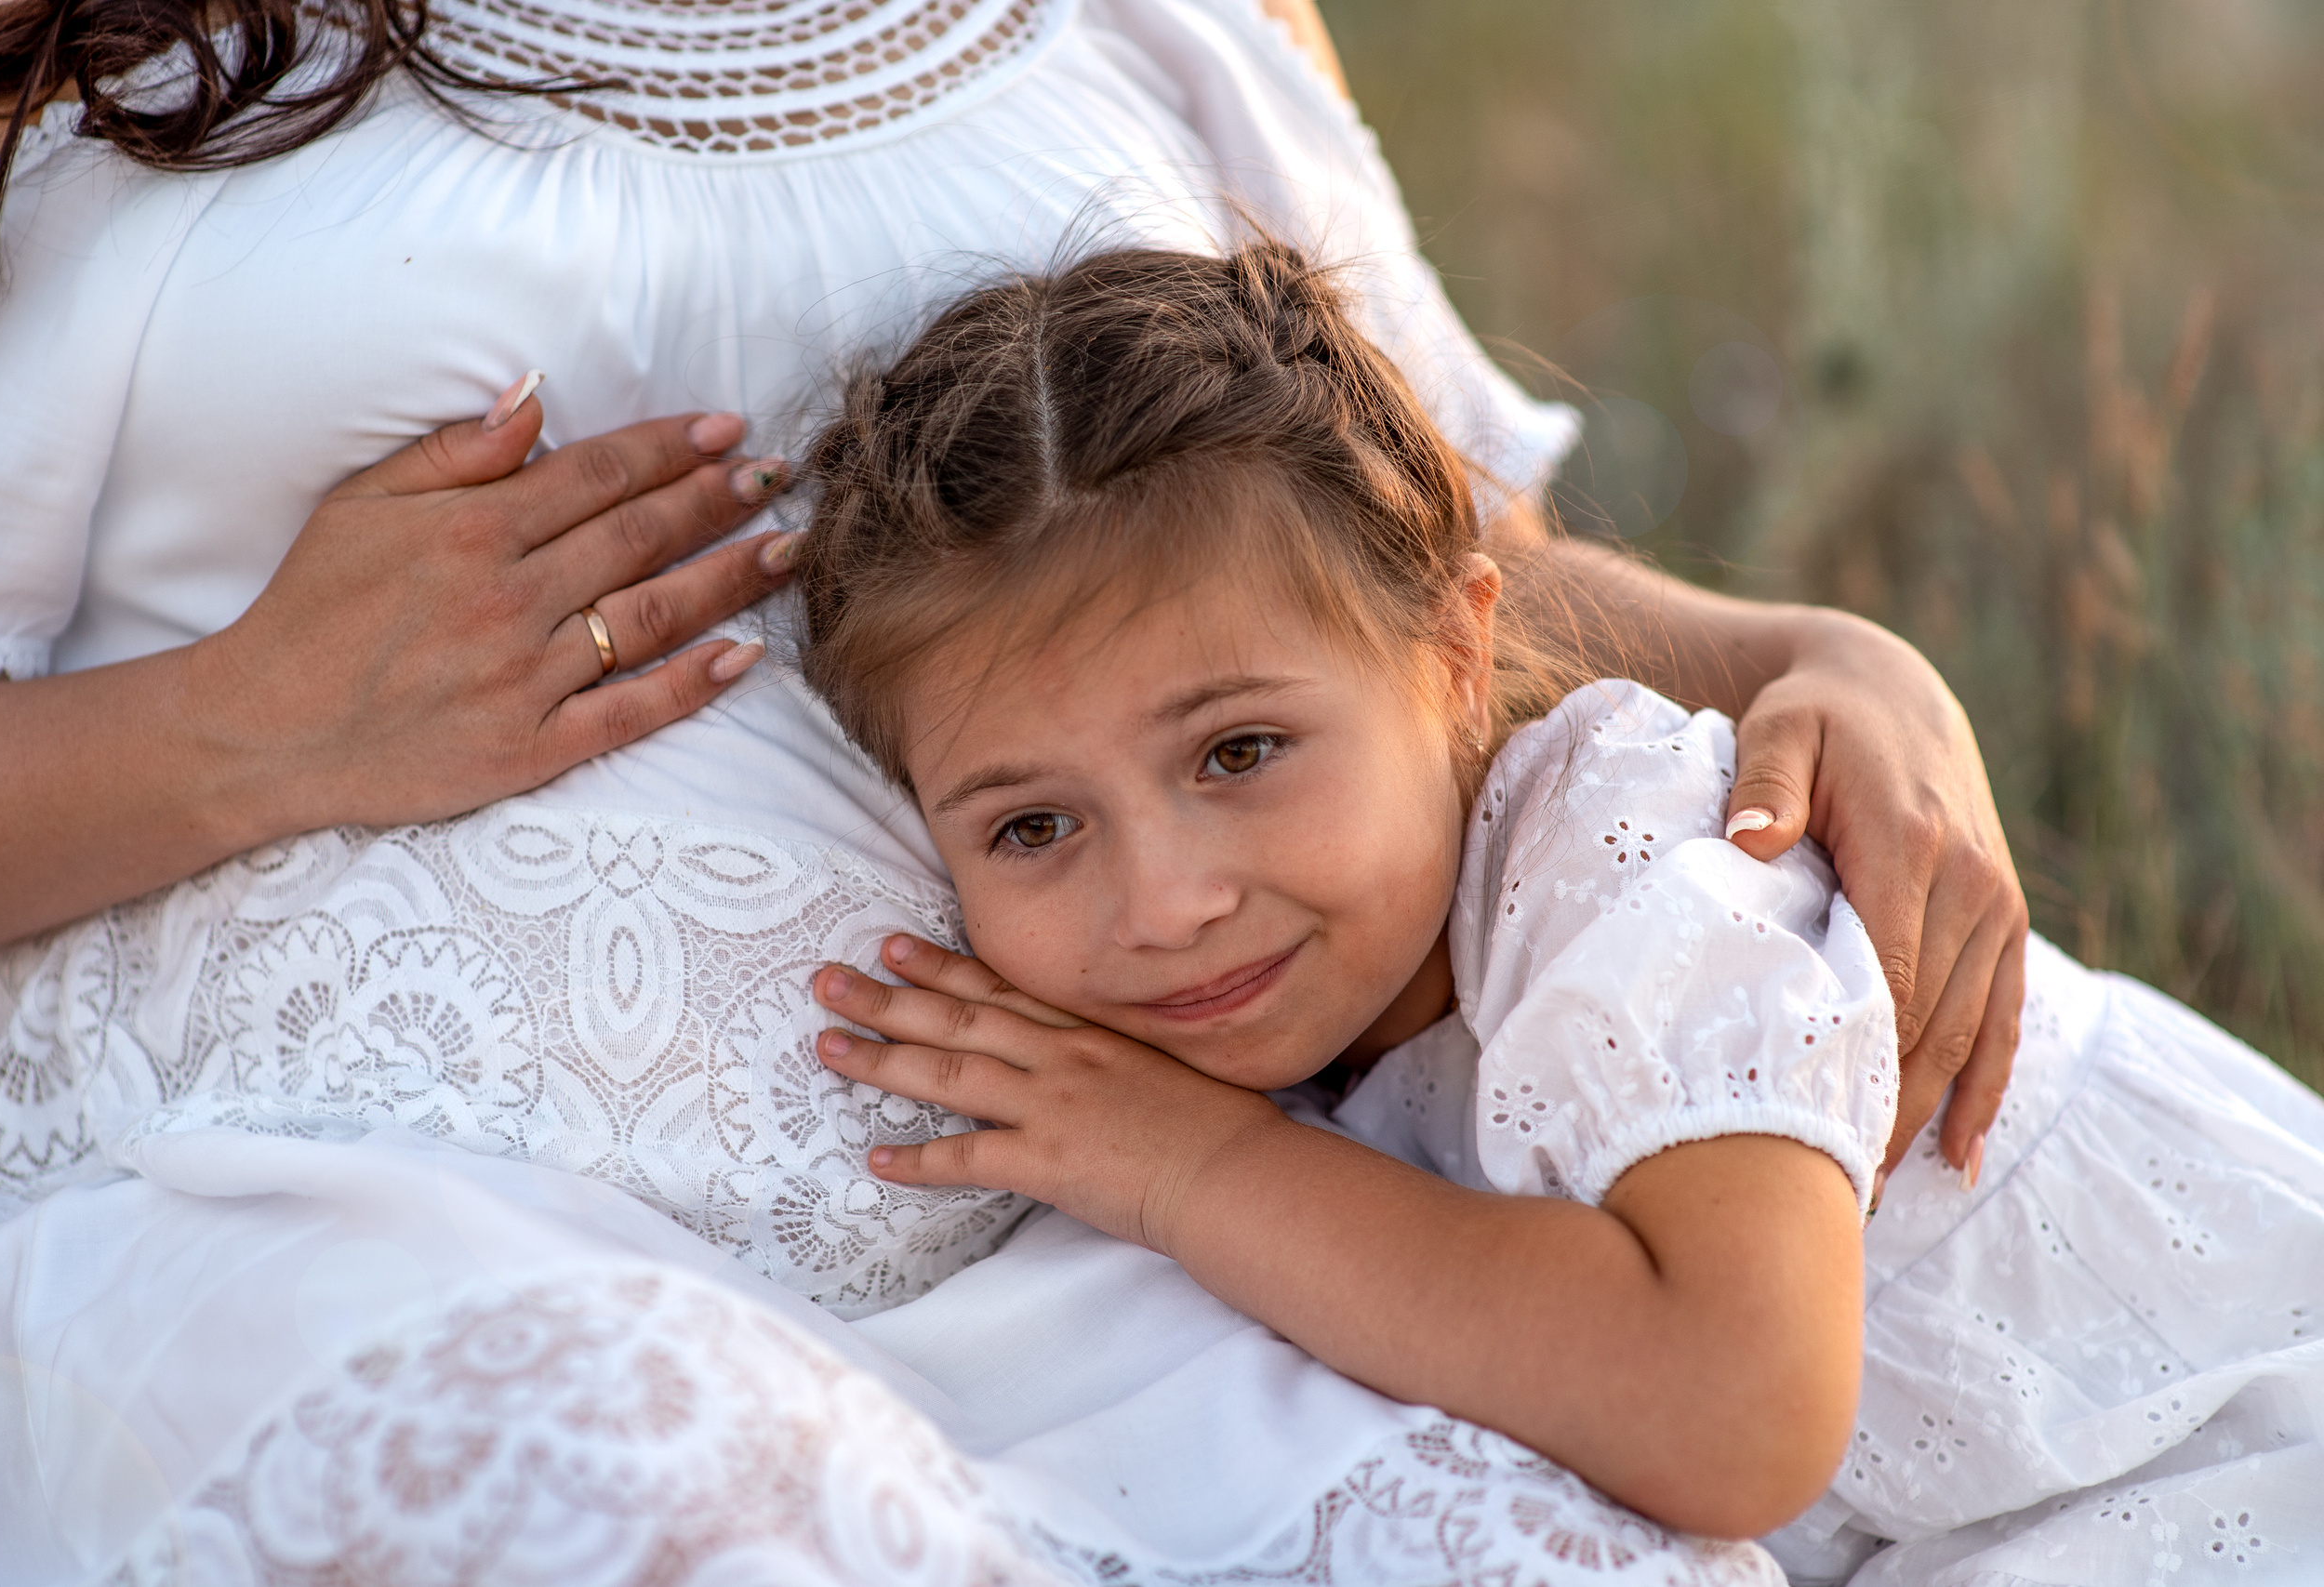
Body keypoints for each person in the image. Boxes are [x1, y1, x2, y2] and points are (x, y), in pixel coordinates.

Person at [0, 0, 2021, 1577]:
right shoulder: (67, 62)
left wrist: (1814, 656)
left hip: (1146, 1225)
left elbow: (1404, 549)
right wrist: (240, 718)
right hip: (314, 1214)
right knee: (649, 1475)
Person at [793, 242, 2324, 1584]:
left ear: (1456, 657)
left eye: (1241, 751)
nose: (1171, 901)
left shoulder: (1623, 849)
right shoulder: (1325, 1003)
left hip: (2229, 1443)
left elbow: (1735, 1416)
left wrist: (1192, 1170)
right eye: (1033, 826)